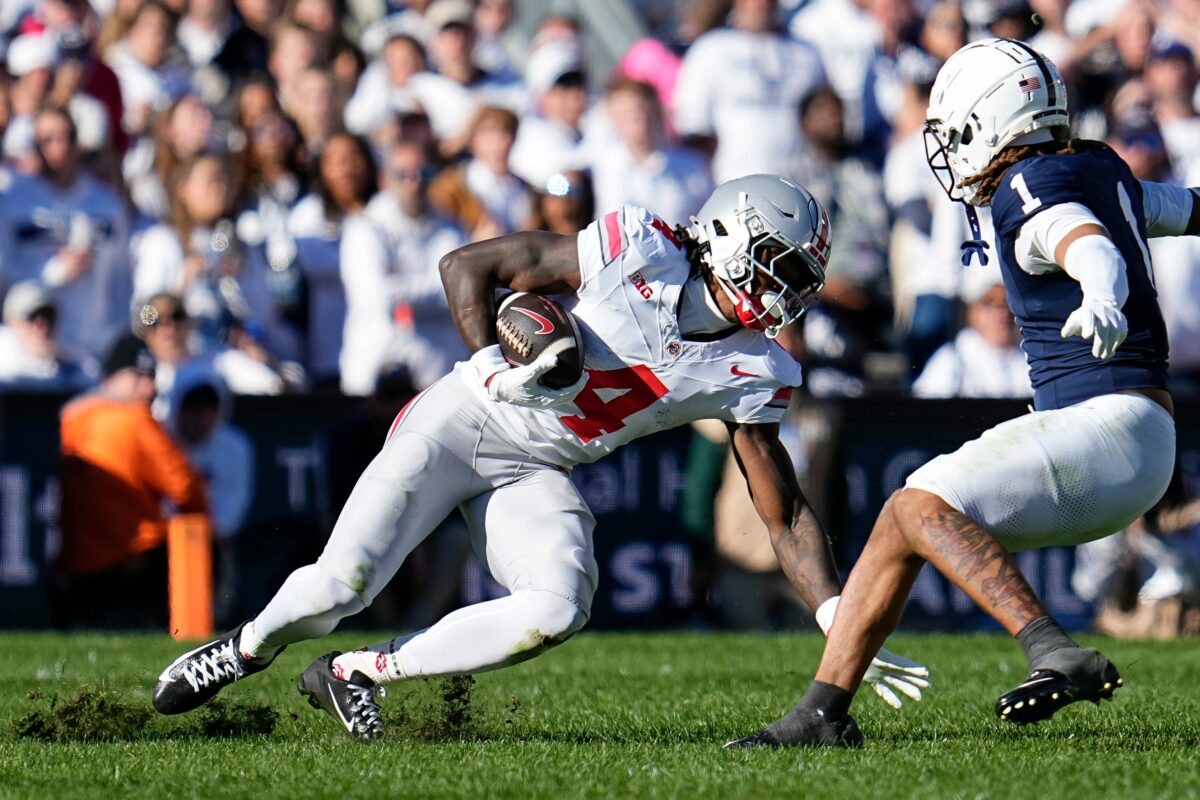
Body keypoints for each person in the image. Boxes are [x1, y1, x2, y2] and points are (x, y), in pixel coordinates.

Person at [151, 174, 928, 739]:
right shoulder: (640, 251)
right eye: (780, 265)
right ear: (728, 236)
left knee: (559, 606)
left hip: (536, 467)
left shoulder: (759, 370)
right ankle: (246, 648)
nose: (788, 291)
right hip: (464, 419)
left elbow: (783, 509)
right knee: (340, 584)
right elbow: (468, 266)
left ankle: (356, 673)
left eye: (800, 277)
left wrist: (834, 612)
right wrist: (498, 353)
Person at [731, 38, 1190, 749]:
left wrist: (1101, 293)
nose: (949, 151)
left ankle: (1052, 651)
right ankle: (823, 710)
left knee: (921, 503)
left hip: (1103, 424)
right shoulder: (1101, 166)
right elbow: (1179, 207)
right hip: (1139, 441)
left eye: (954, 133)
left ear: (989, 123)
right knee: (902, 517)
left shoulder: (1027, 187)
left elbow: (1084, 240)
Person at [55, 332, 209, 628]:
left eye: (151, 377)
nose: (149, 387)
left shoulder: (69, 418)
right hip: (133, 564)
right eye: (138, 376)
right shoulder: (134, 419)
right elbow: (186, 487)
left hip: (73, 569)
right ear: (111, 377)